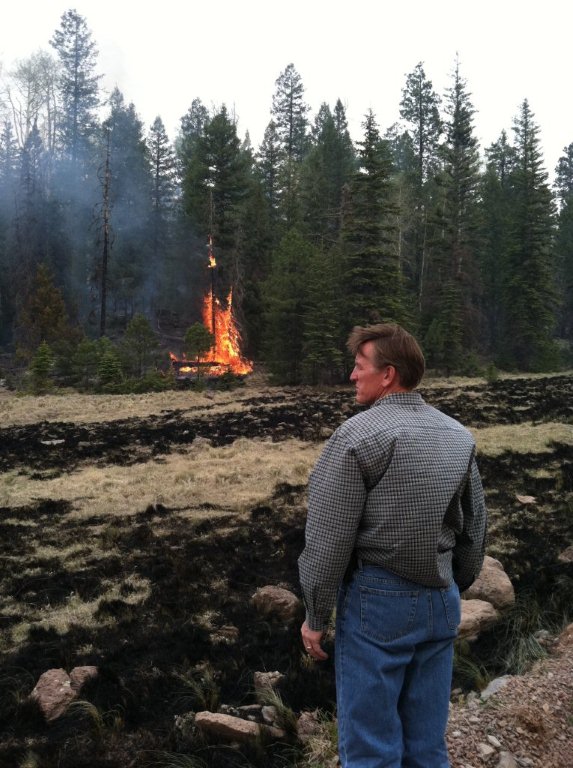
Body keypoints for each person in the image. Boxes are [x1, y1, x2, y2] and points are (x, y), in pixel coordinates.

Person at [298, 323, 487, 768]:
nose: (351, 375)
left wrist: (314, 615)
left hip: (378, 605)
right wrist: (450, 585)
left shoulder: (357, 436)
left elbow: (328, 539)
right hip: (441, 601)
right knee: (426, 747)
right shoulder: (458, 436)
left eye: (359, 366)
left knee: (370, 752)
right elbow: (474, 530)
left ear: (388, 375)